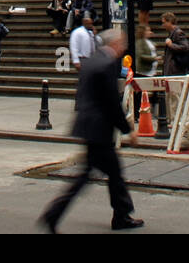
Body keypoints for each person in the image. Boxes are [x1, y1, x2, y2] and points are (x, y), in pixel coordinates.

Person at [39, 28, 143, 233]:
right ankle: (119, 216)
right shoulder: (106, 64)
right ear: (113, 44)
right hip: (99, 128)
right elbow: (111, 102)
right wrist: (128, 130)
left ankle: (120, 215)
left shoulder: (92, 61)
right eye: (121, 43)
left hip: (88, 125)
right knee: (107, 174)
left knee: (101, 174)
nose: (123, 47)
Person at [160, 12, 189, 76]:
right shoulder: (171, 33)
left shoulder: (178, 33)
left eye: (164, 22)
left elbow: (185, 47)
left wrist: (171, 45)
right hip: (171, 69)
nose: (163, 25)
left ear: (169, 22)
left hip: (175, 70)